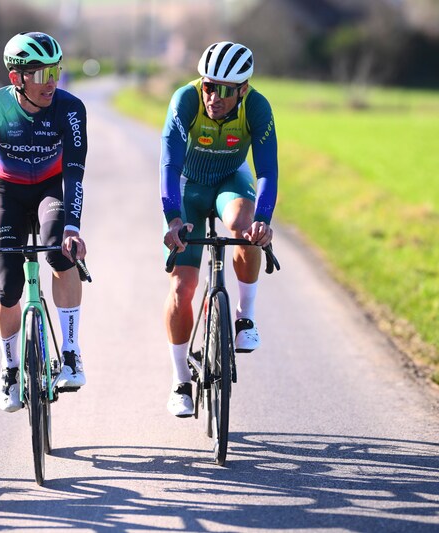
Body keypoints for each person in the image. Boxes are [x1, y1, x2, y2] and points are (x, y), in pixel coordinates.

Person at [0, 31, 89, 413]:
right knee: (8, 286)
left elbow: (74, 172)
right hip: (7, 191)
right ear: (16, 78)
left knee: (60, 253)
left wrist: (73, 228)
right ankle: (9, 369)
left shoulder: (70, 108)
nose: (50, 82)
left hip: (51, 188)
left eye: (55, 71)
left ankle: (70, 354)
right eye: (40, 74)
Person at [160, 42, 277, 417]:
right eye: (209, 86)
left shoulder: (257, 107)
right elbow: (168, 163)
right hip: (188, 186)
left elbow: (267, 170)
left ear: (243, 89)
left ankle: (245, 316)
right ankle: (180, 380)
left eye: (226, 90)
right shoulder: (186, 100)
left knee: (246, 226)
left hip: (230, 181)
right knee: (183, 287)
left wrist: (264, 220)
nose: (214, 97)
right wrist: (172, 218)